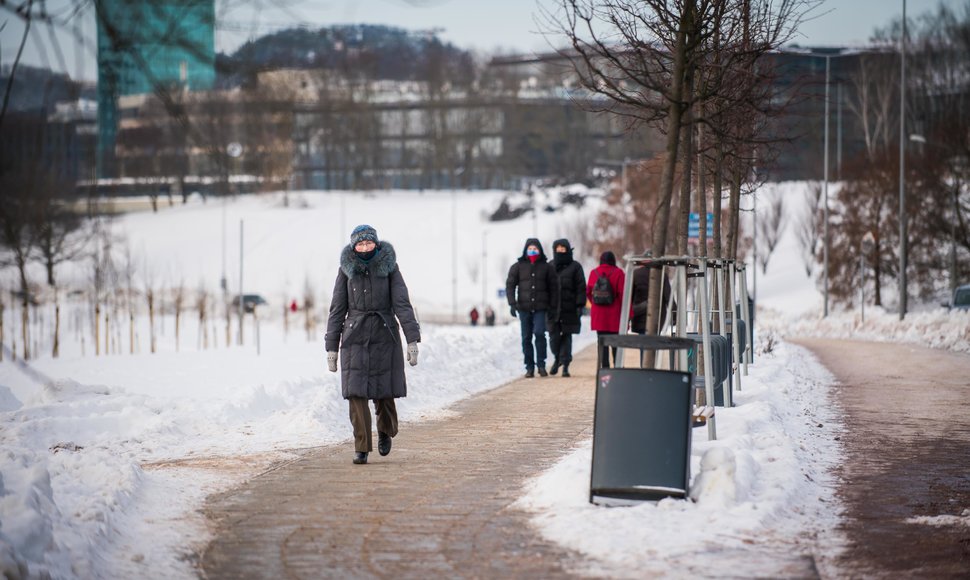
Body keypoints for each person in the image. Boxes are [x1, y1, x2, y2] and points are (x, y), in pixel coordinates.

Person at [325, 225, 421, 465]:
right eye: (360, 244)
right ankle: (361, 447)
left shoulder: (390, 268)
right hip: (354, 338)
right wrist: (331, 347)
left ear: (376, 245)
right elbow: (337, 309)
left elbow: (402, 303)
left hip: (384, 334)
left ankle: (386, 430)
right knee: (356, 393)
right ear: (353, 247)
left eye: (369, 243)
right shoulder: (345, 271)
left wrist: (412, 339)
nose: (365, 247)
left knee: (384, 391)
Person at [506, 238, 560, 378]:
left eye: (535, 248)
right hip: (524, 308)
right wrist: (512, 303)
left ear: (540, 250)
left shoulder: (547, 267)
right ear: (525, 250)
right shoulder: (517, 267)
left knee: (539, 333)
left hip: (541, 308)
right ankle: (529, 367)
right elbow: (510, 285)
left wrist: (553, 307)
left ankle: (541, 365)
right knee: (526, 337)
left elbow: (554, 288)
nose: (532, 251)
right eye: (530, 248)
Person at [548, 238, 586, 378]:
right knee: (554, 337)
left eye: (563, 249)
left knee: (566, 337)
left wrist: (579, 305)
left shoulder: (575, 267)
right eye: (558, 249)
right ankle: (557, 358)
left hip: (569, 308)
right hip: (552, 309)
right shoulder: (550, 266)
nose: (560, 252)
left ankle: (565, 365)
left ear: (568, 250)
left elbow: (581, 287)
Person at [586, 251, 625, 368]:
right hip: (614, 314)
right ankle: (617, 367)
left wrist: (595, 303)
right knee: (615, 342)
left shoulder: (594, 273)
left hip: (599, 314)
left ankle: (605, 368)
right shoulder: (619, 273)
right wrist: (628, 314)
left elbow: (588, 292)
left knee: (602, 341)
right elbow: (623, 294)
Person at [631, 262, 674, 334]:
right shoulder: (662, 274)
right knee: (654, 339)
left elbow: (630, 296)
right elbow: (668, 296)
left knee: (642, 338)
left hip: (639, 314)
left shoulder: (636, 274)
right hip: (657, 315)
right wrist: (675, 314)